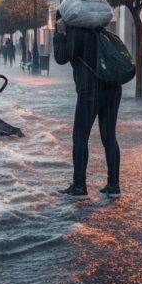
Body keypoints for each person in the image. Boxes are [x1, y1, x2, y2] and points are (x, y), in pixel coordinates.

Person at [53, 11, 123, 197]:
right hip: (113, 88)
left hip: (91, 91)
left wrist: (60, 33)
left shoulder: (77, 34)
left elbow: (60, 57)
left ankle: (79, 186)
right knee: (109, 137)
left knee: (80, 137)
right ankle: (114, 185)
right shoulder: (103, 33)